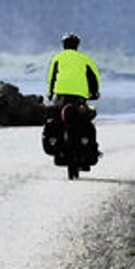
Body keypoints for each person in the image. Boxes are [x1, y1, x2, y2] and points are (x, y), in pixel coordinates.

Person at [45, 33, 101, 177]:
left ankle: (58, 149)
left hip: (60, 97)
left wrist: (50, 93)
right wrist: (94, 93)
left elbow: (51, 77)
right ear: (77, 46)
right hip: (79, 99)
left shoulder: (57, 58)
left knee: (57, 121)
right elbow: (94, 78)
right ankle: (88, 149)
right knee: (84, 122)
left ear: (63, 45)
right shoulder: (85, 59)